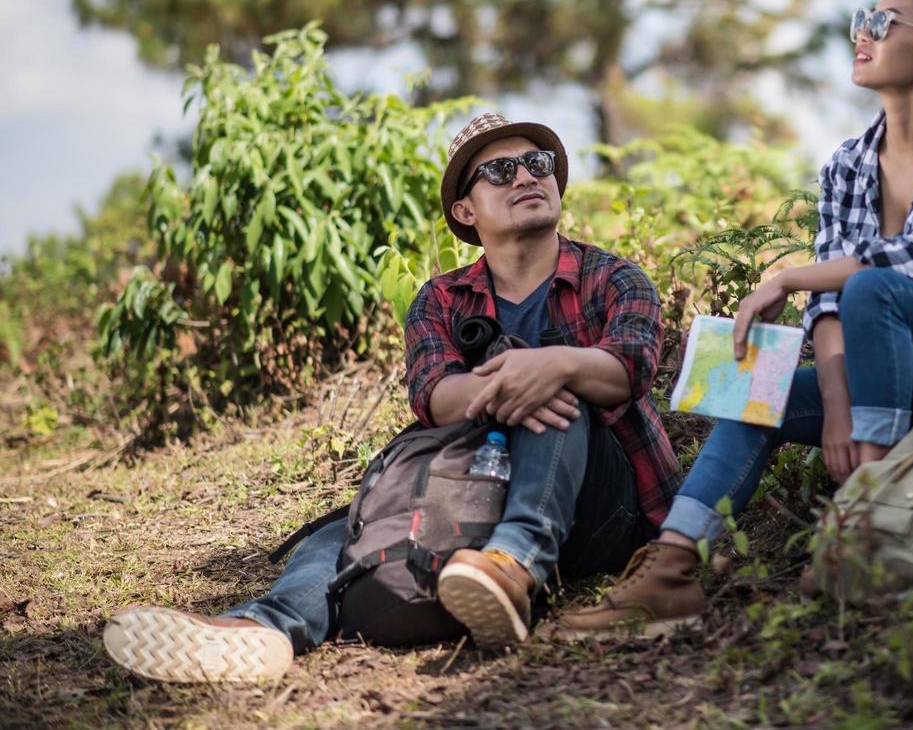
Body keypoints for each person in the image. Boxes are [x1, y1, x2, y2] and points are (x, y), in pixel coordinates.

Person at [553, 0, 913, 638]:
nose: (861, 36)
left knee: (873, 285)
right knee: (754, 392)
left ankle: (861, 531)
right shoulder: (848, 164)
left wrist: (790, 279)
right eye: (860, 20)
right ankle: (669, 576)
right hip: (891, 371)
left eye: (884, 23)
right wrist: (838, 406)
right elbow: (828, 309)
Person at [103, 113, 682, 682]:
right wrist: (514, 380)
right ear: (464, 211)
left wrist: (551, 364)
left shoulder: (613, 277)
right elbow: (435, 397)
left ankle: (517, 560)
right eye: (501, 170)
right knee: (345, 530)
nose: (526, 177)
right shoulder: (441, 299)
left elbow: (627, 371)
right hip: (482, 485)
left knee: (561, 392)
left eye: (537, 163)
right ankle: (265, 630)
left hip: (602, 510)